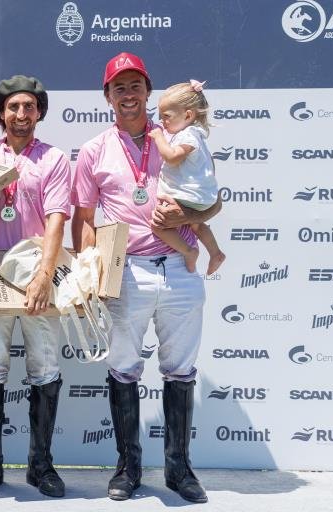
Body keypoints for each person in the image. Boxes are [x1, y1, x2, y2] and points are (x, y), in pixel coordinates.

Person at [71, 53, 222, 504]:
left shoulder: (179, 139)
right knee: (123, 368)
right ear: (107, 97)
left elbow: (213, 201)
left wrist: (192, 213)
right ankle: (128, 467)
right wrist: (88, 270)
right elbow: (83, 218)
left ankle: (178, 470)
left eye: (135, 85)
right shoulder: (95, 150)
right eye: (119, 87)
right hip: (126, 271)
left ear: (148, 93)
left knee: (179, 370)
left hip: (180, 266)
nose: (128, 94)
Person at [0, 76, 71, 498]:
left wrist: (44, 274)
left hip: (37, 279)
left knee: (45, 369)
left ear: (39, 111)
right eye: (13, 107)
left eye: (29, 107)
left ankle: (41, 465)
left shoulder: (54, 159)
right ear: (1, 113)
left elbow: (57, 218)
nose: (21, 115)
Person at [147, 80, 225, 275]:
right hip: (202, 199)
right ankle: (215, 252)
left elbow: (172, 158)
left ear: (188, 115)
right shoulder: (195, 134)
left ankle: (188, 251)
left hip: (190, 197)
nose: (163, 122)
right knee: (197, 225)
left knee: (158, 225)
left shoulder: (188, 135)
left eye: (166, 117)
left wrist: (158, 138)